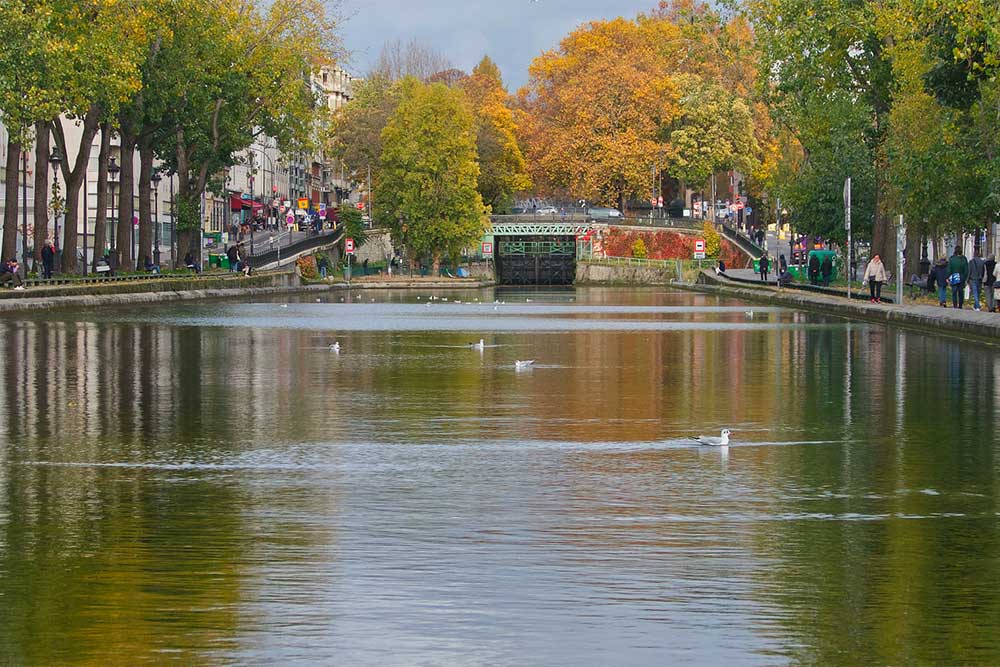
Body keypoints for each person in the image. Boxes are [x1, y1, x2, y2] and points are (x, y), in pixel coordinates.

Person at [947, 245, 969, 309]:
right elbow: (966, 270)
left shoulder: (951, 259)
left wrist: (948, 276)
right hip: (961, 276)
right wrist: (965, 277)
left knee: (954, 291)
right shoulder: (964, 259)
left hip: (954, 276)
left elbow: (949, 269)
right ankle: (960, 305)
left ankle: (955, 304)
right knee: (960, 291)